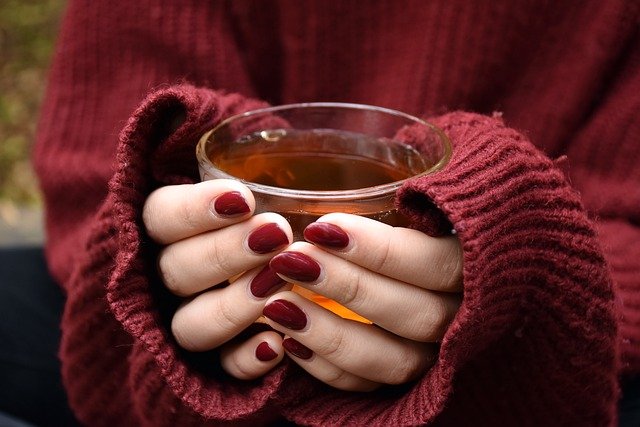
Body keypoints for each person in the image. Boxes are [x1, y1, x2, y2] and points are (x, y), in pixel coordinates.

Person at [25, 0, 638, 425]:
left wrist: (524, 270)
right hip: (202, 342)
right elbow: (97, 160)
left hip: (549, 356)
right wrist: (156, 233)